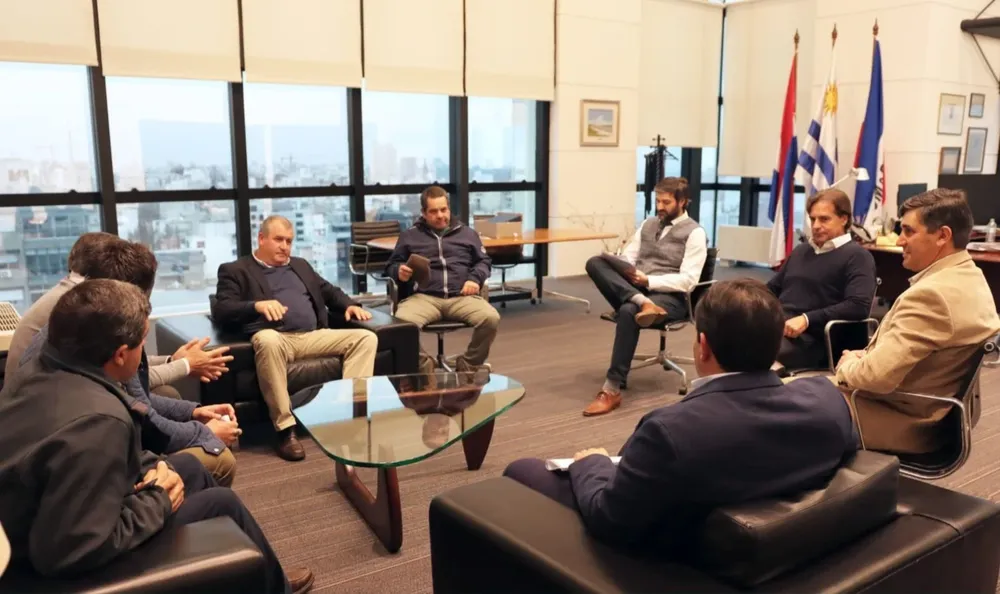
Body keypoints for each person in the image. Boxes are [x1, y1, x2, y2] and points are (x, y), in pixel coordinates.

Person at [0, 280, 313, 593]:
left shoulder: (48, 365)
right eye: (142, 345)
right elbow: (68, 550)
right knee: (221, 502)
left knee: (189, 469)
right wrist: (158, 500)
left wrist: (151, 467)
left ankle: (247, 575)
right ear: (121, 355)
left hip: (57, 512)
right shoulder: (99, 423)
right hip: (47, 568)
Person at [503, 279, 858, 552]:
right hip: (787, 547)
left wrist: (591, 463)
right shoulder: (828, 400)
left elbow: (611, 519)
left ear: (703, 346)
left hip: (682, 552)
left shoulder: (669, 431)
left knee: (521, 471)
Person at [12, 240, 239, 487]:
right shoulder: (108, 335)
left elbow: (139, 397)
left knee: (168, 398)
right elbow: (142, 415)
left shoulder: (77, 319)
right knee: (219, 460)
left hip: (41, 451)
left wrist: (192, 412)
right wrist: (204, 434)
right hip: (77, 470)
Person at [836, 189, 1000, 454]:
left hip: (898, 420)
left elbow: (875, 378)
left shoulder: (932, 295)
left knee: (771, 407)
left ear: (942, 236)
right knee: (783, 398)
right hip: (925, 412)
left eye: (909, 231)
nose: (900, 240)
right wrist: (867, 358)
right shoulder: (971, 276)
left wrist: (848, 366)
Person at [213, 215, 378, 461]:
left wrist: (349, 305)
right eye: (278, 240)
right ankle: (285, 429)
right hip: (278, 340)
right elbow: (222, 309)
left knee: (365, 338)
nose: (285, 246)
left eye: (289, 241)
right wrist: (256, 306)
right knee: (266, 339)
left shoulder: (300, 265)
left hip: (314, 335)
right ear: (261, 239)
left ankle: (350, 416)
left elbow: (329, 291)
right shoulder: (236, 270)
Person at [5, 232, 229, 394]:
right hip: (49, 406)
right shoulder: (84, 310)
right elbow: (123, 377)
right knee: (165, 397)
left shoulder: (73, 296)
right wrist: (186, 365)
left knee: (165, 398)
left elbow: (118, 361)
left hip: (37, 400)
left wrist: (172, 360)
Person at [582, 177, 707, 416]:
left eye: (666, 202)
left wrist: (649, 281)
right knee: (594, 263)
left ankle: (611, 389)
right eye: (657, 200)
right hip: (639, 291)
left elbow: (689, 281)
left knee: (629, 311)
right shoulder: (648, 224)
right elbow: (630, 258)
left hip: (671, 298)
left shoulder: (695, 233)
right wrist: (618, 263)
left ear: (683, 202)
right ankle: (642, 302)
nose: (659, 206)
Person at [386, 185, 499, 374]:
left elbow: (483, 262)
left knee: (490, 318)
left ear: (449, 208)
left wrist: (474, 279)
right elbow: (391, 265)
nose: (440, 215)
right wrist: (398, 270)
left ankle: (469, 364)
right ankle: (424, 365)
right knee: (400, 325)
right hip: (424, 298)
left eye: (443, 209)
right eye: (433, 211)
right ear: (423, 213)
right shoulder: (410, 236)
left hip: (461, 296)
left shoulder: (467, 234)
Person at [767, 189, 877, 370]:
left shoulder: (858, 256)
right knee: (728, 337)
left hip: (819, 339)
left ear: (844, 219)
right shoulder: (802, 251)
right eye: (812, 219)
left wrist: (807, 319)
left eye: (824, 219)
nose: (816, 225)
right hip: (781, 329)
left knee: (750, 351)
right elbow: (772, 289)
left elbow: (858, 306)